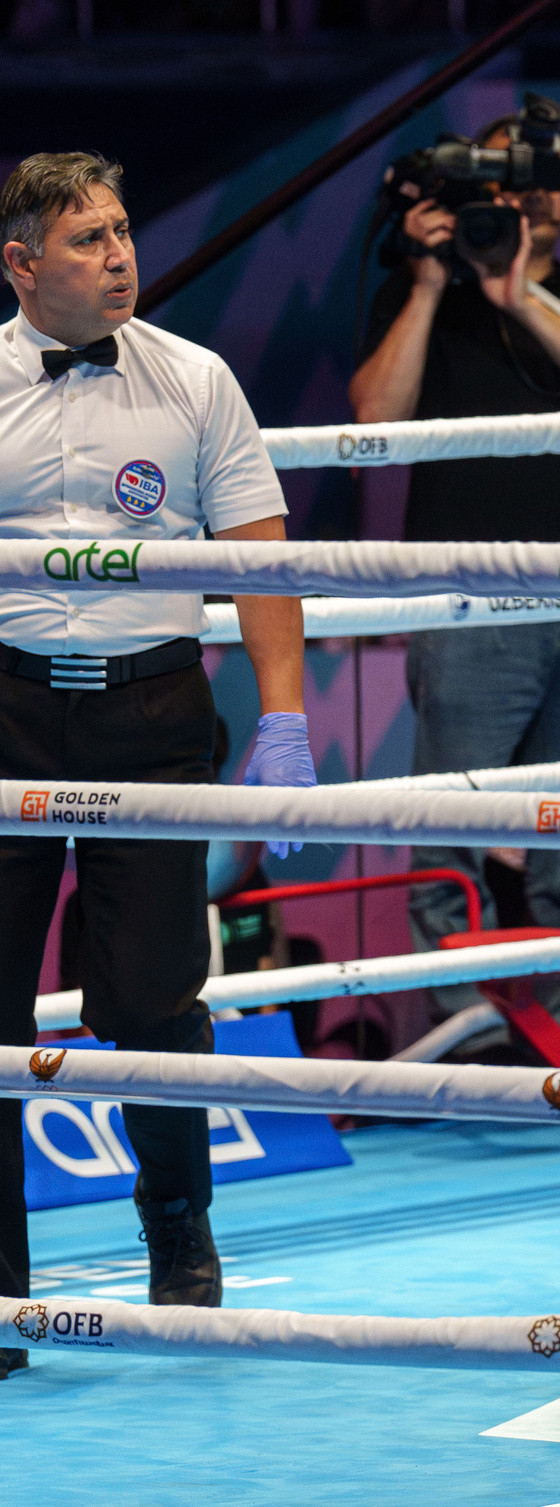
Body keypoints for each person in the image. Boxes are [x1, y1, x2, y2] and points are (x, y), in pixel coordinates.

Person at [0, 151, 310, 1359]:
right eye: (88, 240)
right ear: (22, 263)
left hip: (154, 715)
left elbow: (264, 558)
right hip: (6, 708)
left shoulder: (196, 379)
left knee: (155, 998)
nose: (122, 254)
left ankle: (181, 1243)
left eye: (124, 230)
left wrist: (283, 720)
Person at [349, 109, 560, 1052]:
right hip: (470, 592)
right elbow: (374, 423)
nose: (527, 192)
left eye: (545, 175)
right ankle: (462, 1025)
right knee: (450, 825)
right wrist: (436, 283)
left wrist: (519, 294)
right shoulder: (418, 293)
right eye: (508, 176)